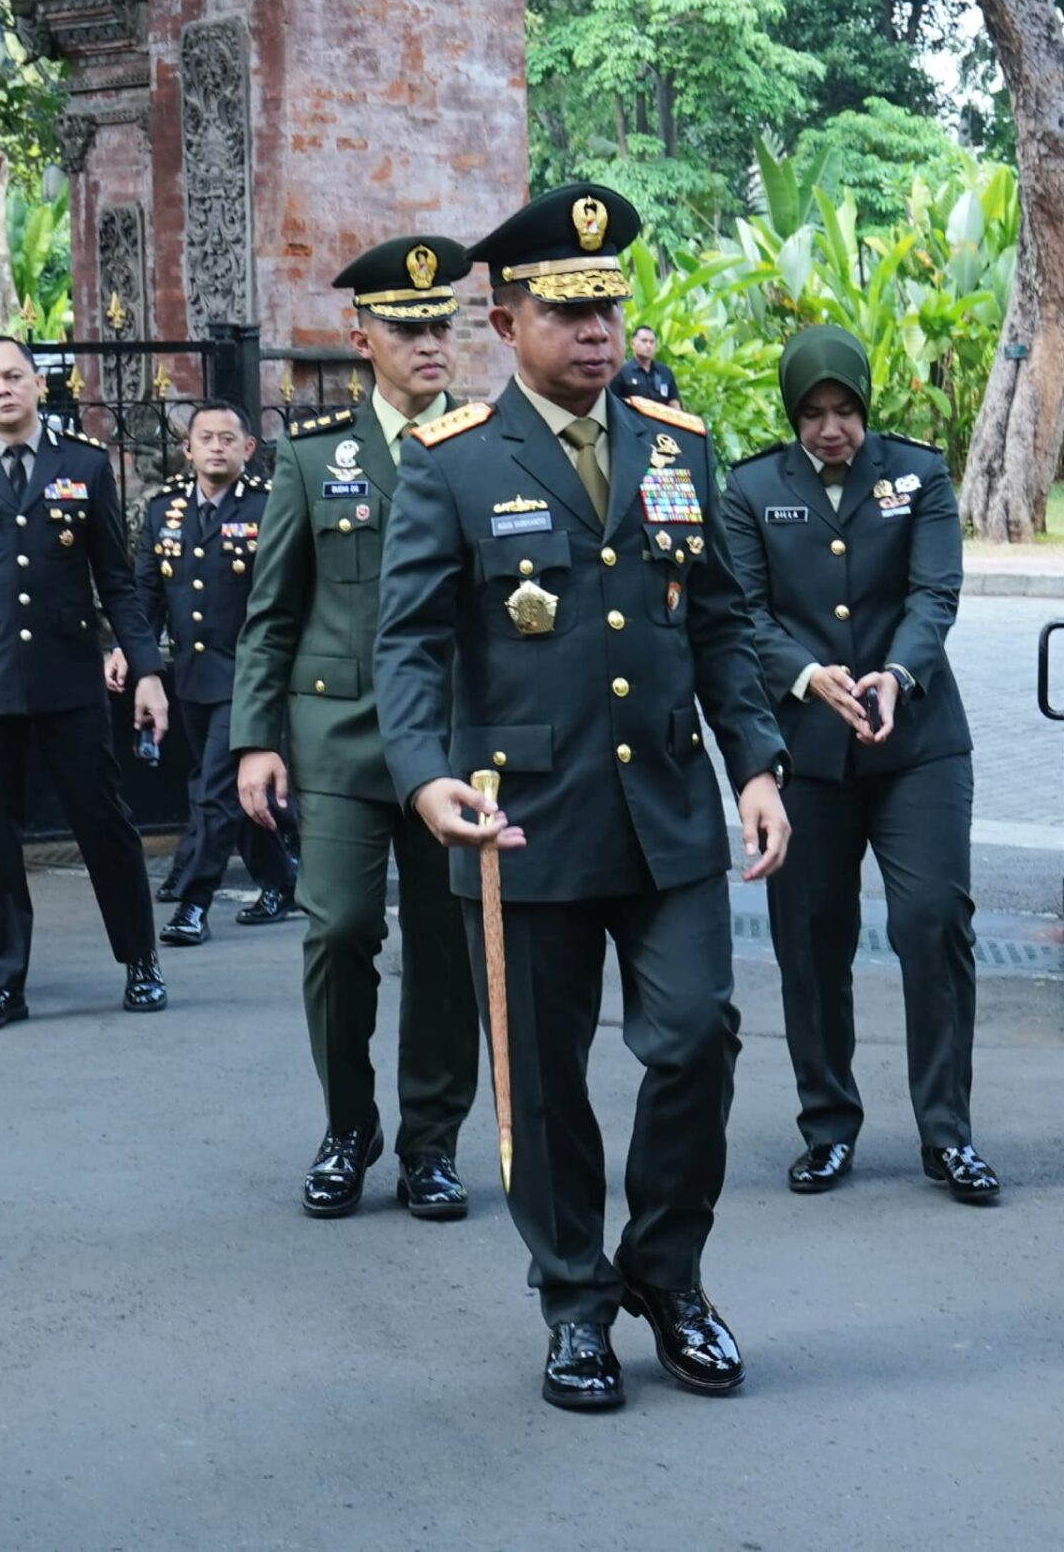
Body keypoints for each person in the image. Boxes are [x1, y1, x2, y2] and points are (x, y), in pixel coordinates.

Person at [373, 181, 791, 1413]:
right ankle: (573, 1300)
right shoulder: (453, 462)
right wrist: (423, 775)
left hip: (665, 810)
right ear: (507, 323)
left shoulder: (676, 444)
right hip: (521, 821)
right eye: (566, 310)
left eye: (607, 306)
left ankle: (667, 1273)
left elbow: (719, 627)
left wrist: (756, 766)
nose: (596, 331)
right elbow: (408, 643)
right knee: (543, 1081)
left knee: (697, 1037)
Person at [232, 235, 483, 1221]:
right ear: (361, 337)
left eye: (439, 326)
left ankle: (430, 1142)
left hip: (452, 739)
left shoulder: (485, 448)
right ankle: (348, 1124)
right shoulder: (311, 458)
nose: (428, 343)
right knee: (338, 927)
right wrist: (256, 738)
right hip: (338, 734)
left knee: (444, 946)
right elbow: (271, 613)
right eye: (406, 327)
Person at [717, 324, 996, 1202]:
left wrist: (898, 673)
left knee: (932, 920)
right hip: (806, 753)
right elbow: (743, 613)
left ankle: (948, 1132)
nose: (832, 428)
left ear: (867, 406)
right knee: (812, 937)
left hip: (917, 744)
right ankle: (828, 1124)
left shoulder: (918, 473)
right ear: (791, 413)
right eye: (813, 413)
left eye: (845, 410)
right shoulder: (751, 488)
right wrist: (807, 675)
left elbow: (934, 591)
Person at [0, 335, 170, 1030]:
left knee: (103, 822)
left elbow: (116, 579)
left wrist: (146, 669)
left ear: (37, 383)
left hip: (67, 678)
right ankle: (1, 983)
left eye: (14, 376)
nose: (3, 389)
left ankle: (140, 959)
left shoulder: (83, 464)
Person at [127, 403, 298, 949]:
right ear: (189, 449)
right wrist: (133, 656)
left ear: (248, 448)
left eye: (228, 438)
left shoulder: (270, 506)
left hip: (251, 676)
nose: (217, 447)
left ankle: (195, 902)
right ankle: (281, 881)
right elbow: (146, 594)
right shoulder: (165, 511)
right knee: (233, 787)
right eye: (206, 438)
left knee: (215, 792)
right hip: (193, 677)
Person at [609, 323, 680, 407]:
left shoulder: (665, 372)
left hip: (660, 415)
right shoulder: (621, 372)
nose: (648, 345)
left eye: (652, 342)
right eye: (644, 341)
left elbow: (674, 403)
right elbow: (612, 403)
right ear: (632, 344)